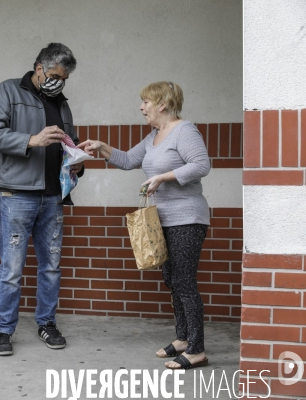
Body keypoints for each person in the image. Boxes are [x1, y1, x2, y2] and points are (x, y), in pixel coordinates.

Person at [78, 81, 210, 370]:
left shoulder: (184, 131)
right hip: (162, 220)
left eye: (146, 102)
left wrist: (163, 177)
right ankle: (183, 338)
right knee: (171, 280)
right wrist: (101, 147)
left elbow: (201, 165)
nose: (141, 107)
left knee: (185, 283)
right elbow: (127, 160)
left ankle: (197, 349)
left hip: (187, 218)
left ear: (162, 104)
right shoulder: (154, 136)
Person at [0, 43, 84, 356]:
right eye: (55, 75)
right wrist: (31, 140)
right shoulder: (9, 92)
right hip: (18, 196)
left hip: (54, 197)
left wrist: (78, 160)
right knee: (12, 269)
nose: (59, 83)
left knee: (51, 267)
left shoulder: (62, 103)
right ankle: (3, 331)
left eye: (64, 79)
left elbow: (71, 143)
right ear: (39, 67)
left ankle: (47, 323)